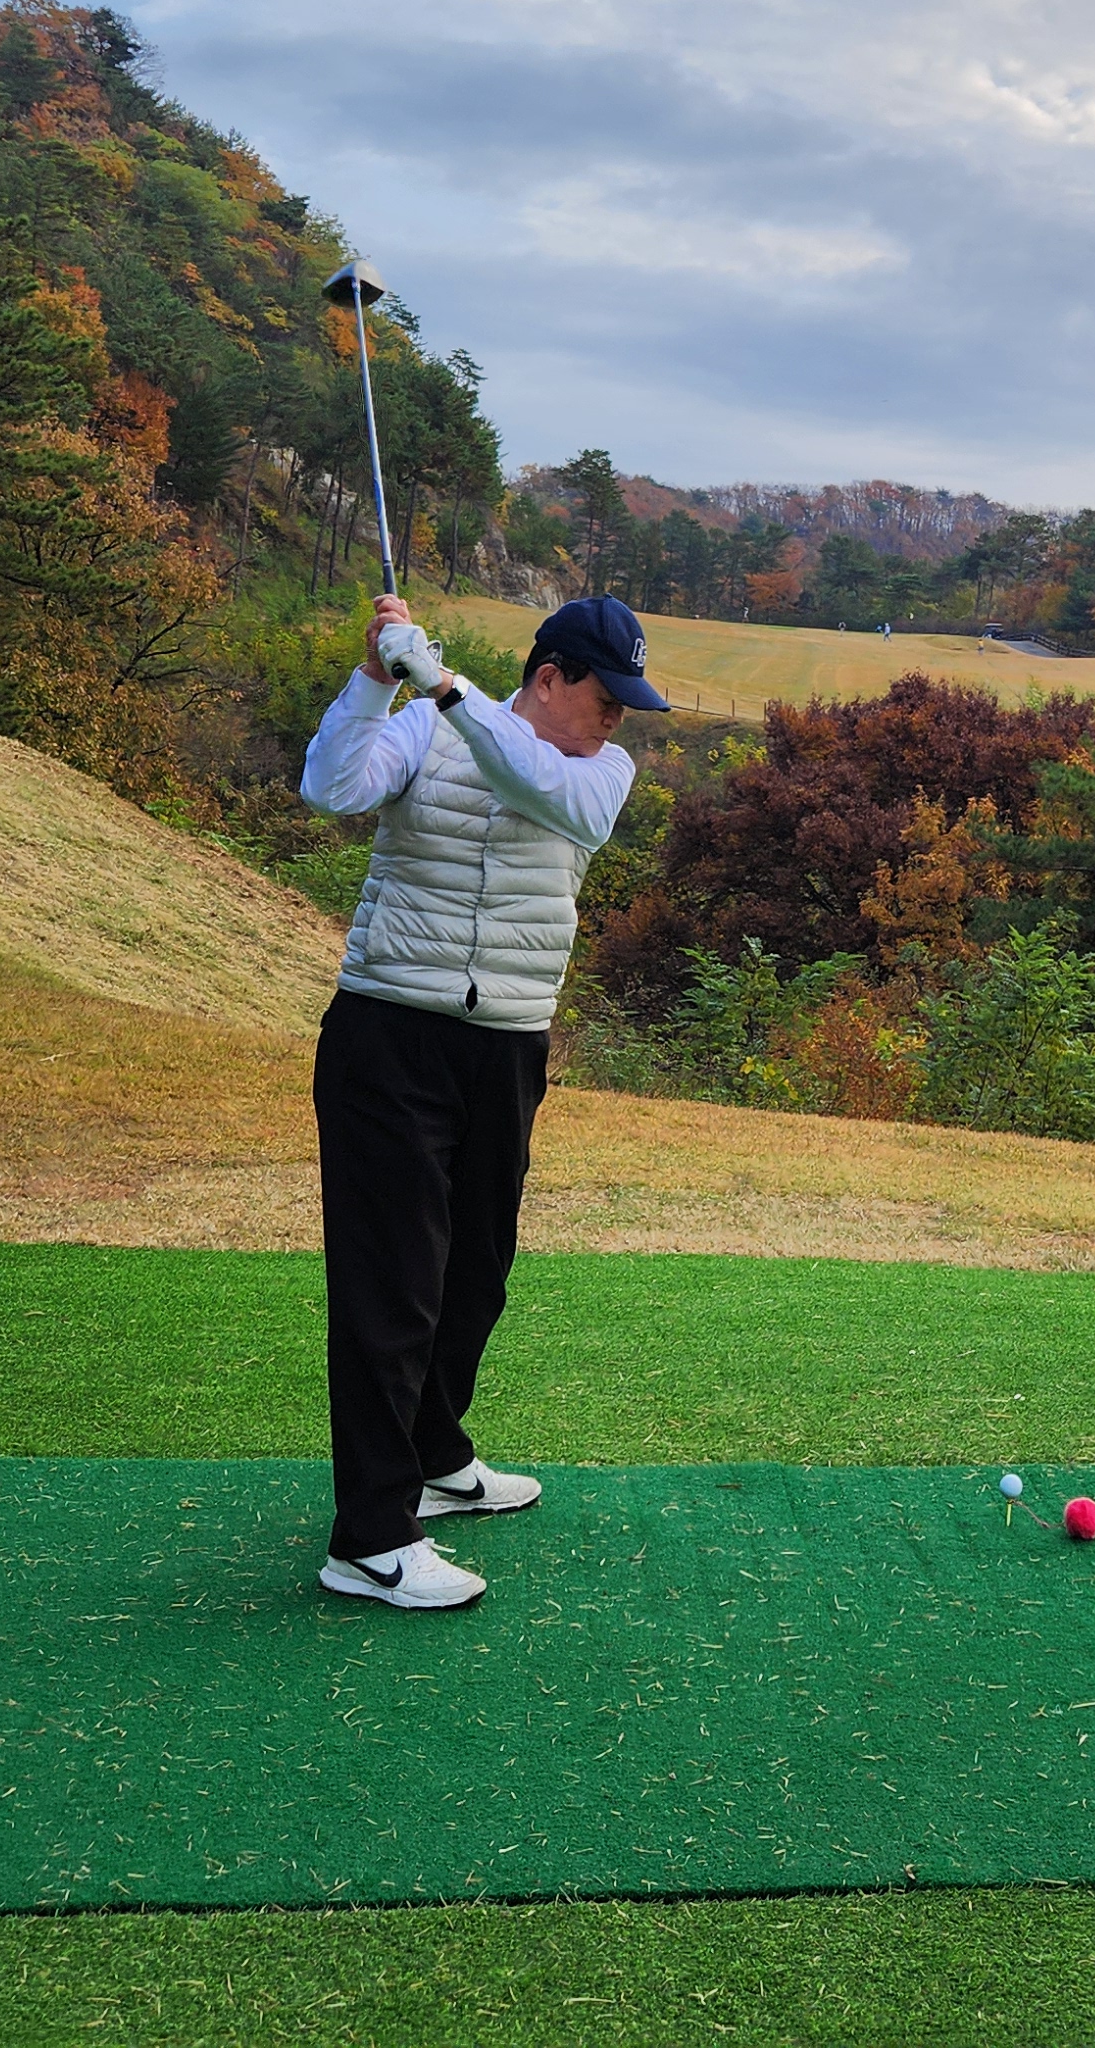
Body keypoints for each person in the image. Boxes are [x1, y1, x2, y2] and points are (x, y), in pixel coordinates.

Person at [296, 589, 666, 1609]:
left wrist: (445, 685)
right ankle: (371, 1537)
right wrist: (376, 679)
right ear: (549, 677)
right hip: (389, 1035)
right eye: (606, 697)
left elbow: (533, 782)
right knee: (392, 1285)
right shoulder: (423, 726)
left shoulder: (598, 773)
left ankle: (433, 1456)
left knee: (475, 1274)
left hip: (505, 1045)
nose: (617, 719)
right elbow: (329, 787)